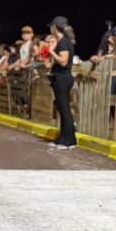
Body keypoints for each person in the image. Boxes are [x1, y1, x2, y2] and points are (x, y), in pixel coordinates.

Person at [47, 16, 77, 149]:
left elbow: (64, 62)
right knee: (61, 108)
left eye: (50, 27)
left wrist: (51, 51)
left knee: (64, 109)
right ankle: (63, 138)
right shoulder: (62, 41)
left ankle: (68, 141)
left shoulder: (64, 42)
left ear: (54, 27)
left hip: (63, 78)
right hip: (60, 78)